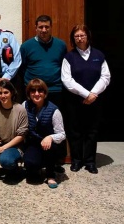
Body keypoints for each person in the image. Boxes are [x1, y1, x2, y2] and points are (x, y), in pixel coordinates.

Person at [62, 24, 110, 174]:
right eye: (76, 36)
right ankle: (76, 160)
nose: (80, 38)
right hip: (75, 102)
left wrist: (93, 94)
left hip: (94, 101)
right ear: (73, 39)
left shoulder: (99, 55)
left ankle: (90, 161)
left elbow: (105, 76)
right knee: (75, 131)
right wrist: (85, 94)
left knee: (92, 131)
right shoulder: (69, 57)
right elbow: (67, 80)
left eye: (82, 35)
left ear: (88, 36)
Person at [23, 79, 66, 189]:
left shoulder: (54, 110)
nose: (36, 94)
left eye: (40, 90)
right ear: (29, 93)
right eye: (33, 90)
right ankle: (37, 166)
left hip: (49, 145)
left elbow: (62, 134)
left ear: (45, 93)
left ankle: (50, 175)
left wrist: (50, 137)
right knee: (31, 165)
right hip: (34, 143)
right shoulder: (25, 105)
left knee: (50, 147)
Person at [20, 15, 67, 107]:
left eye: (47, 27)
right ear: (36, 28)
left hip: (55, 90)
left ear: (51, 27)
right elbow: (22, 68)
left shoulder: (61, 45)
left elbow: (64, 67)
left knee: (54, 118)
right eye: (41, 27)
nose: (44, 30)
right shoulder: (26, 46)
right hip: (34, 91)